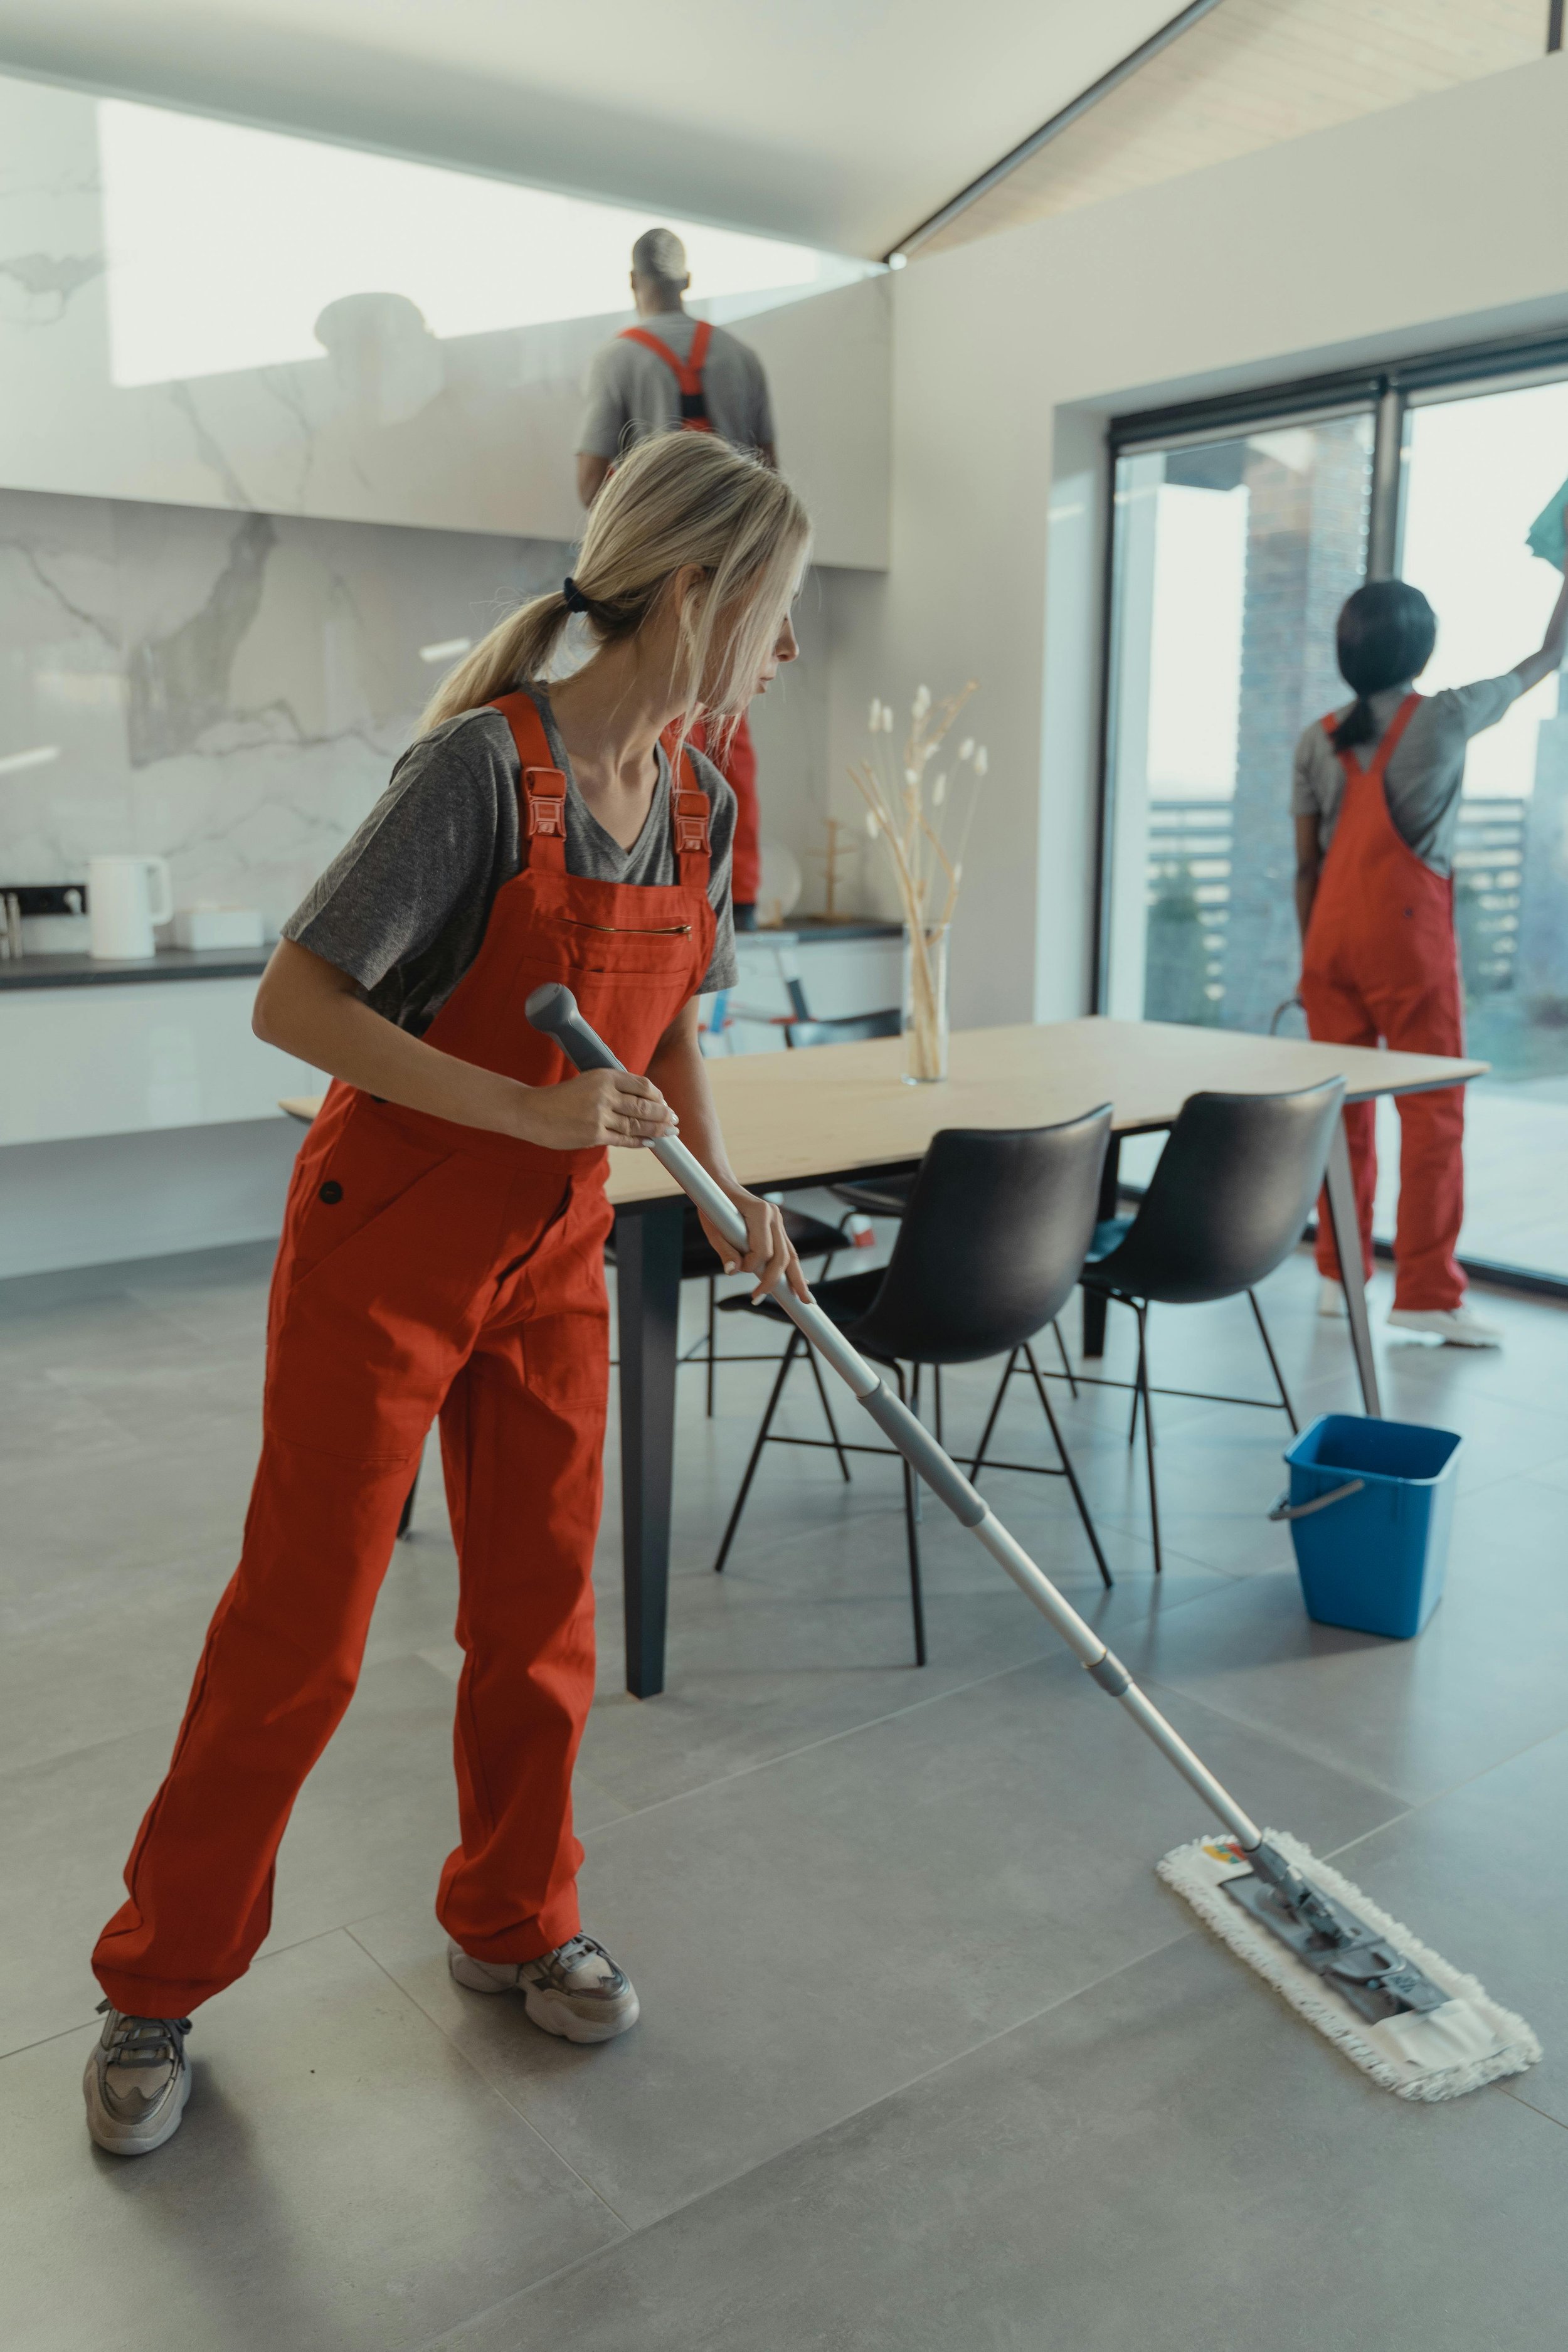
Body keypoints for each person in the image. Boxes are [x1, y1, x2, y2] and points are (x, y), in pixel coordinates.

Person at [83, 432, 812, 2158]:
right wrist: (527, 1110)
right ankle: (157, 1977)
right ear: (697, 594)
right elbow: (294, 1001)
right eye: (774, 613)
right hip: (390, 1231)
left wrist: (722, 1188)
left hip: (553, 1245)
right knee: (302, 1628)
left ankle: (515, 1913)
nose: (784, 651)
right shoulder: (484, 770)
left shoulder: (693, 797)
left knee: (540, 1610)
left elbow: (675, 1009)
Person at [1294, 552, 1568, 1346]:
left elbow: (1305, 866)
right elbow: (1547, 658)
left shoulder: (1316, 741)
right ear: (1419, 651)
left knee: (1339, 1114)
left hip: (1328, 946)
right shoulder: (1445, 716)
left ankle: (1336, 1273)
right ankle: (1425, 1294)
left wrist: (1312, 959)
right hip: (1405, 942)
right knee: (1432, 1114)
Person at [578, 226, 776, 926]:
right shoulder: (742, 357)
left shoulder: (619, 356)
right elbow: (770, 481)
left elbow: (590, 480)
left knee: (653, 730)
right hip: (741, 575)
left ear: (634, 284)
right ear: (687, 283)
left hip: (660, 575)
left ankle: (657, 891)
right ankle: (736, 898)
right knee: (727, 737)